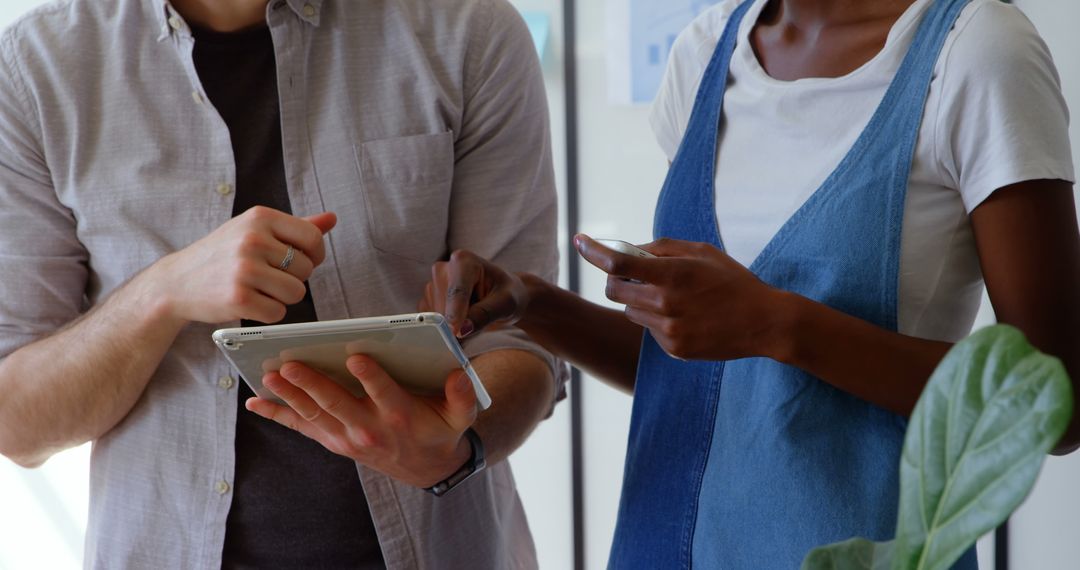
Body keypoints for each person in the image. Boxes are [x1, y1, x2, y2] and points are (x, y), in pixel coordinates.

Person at [421, 0, 1080, 567]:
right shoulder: (707, 51)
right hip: (657, 547)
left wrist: (779, 324)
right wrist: (534, 306)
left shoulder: (978, 54)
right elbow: (702, 379)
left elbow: (1053, 403)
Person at [0, 0, 563, 568]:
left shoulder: (469, 31)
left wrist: (454, 448)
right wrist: (161, 292)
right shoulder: (35, 66)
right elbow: (17, 421)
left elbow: (524, 337)